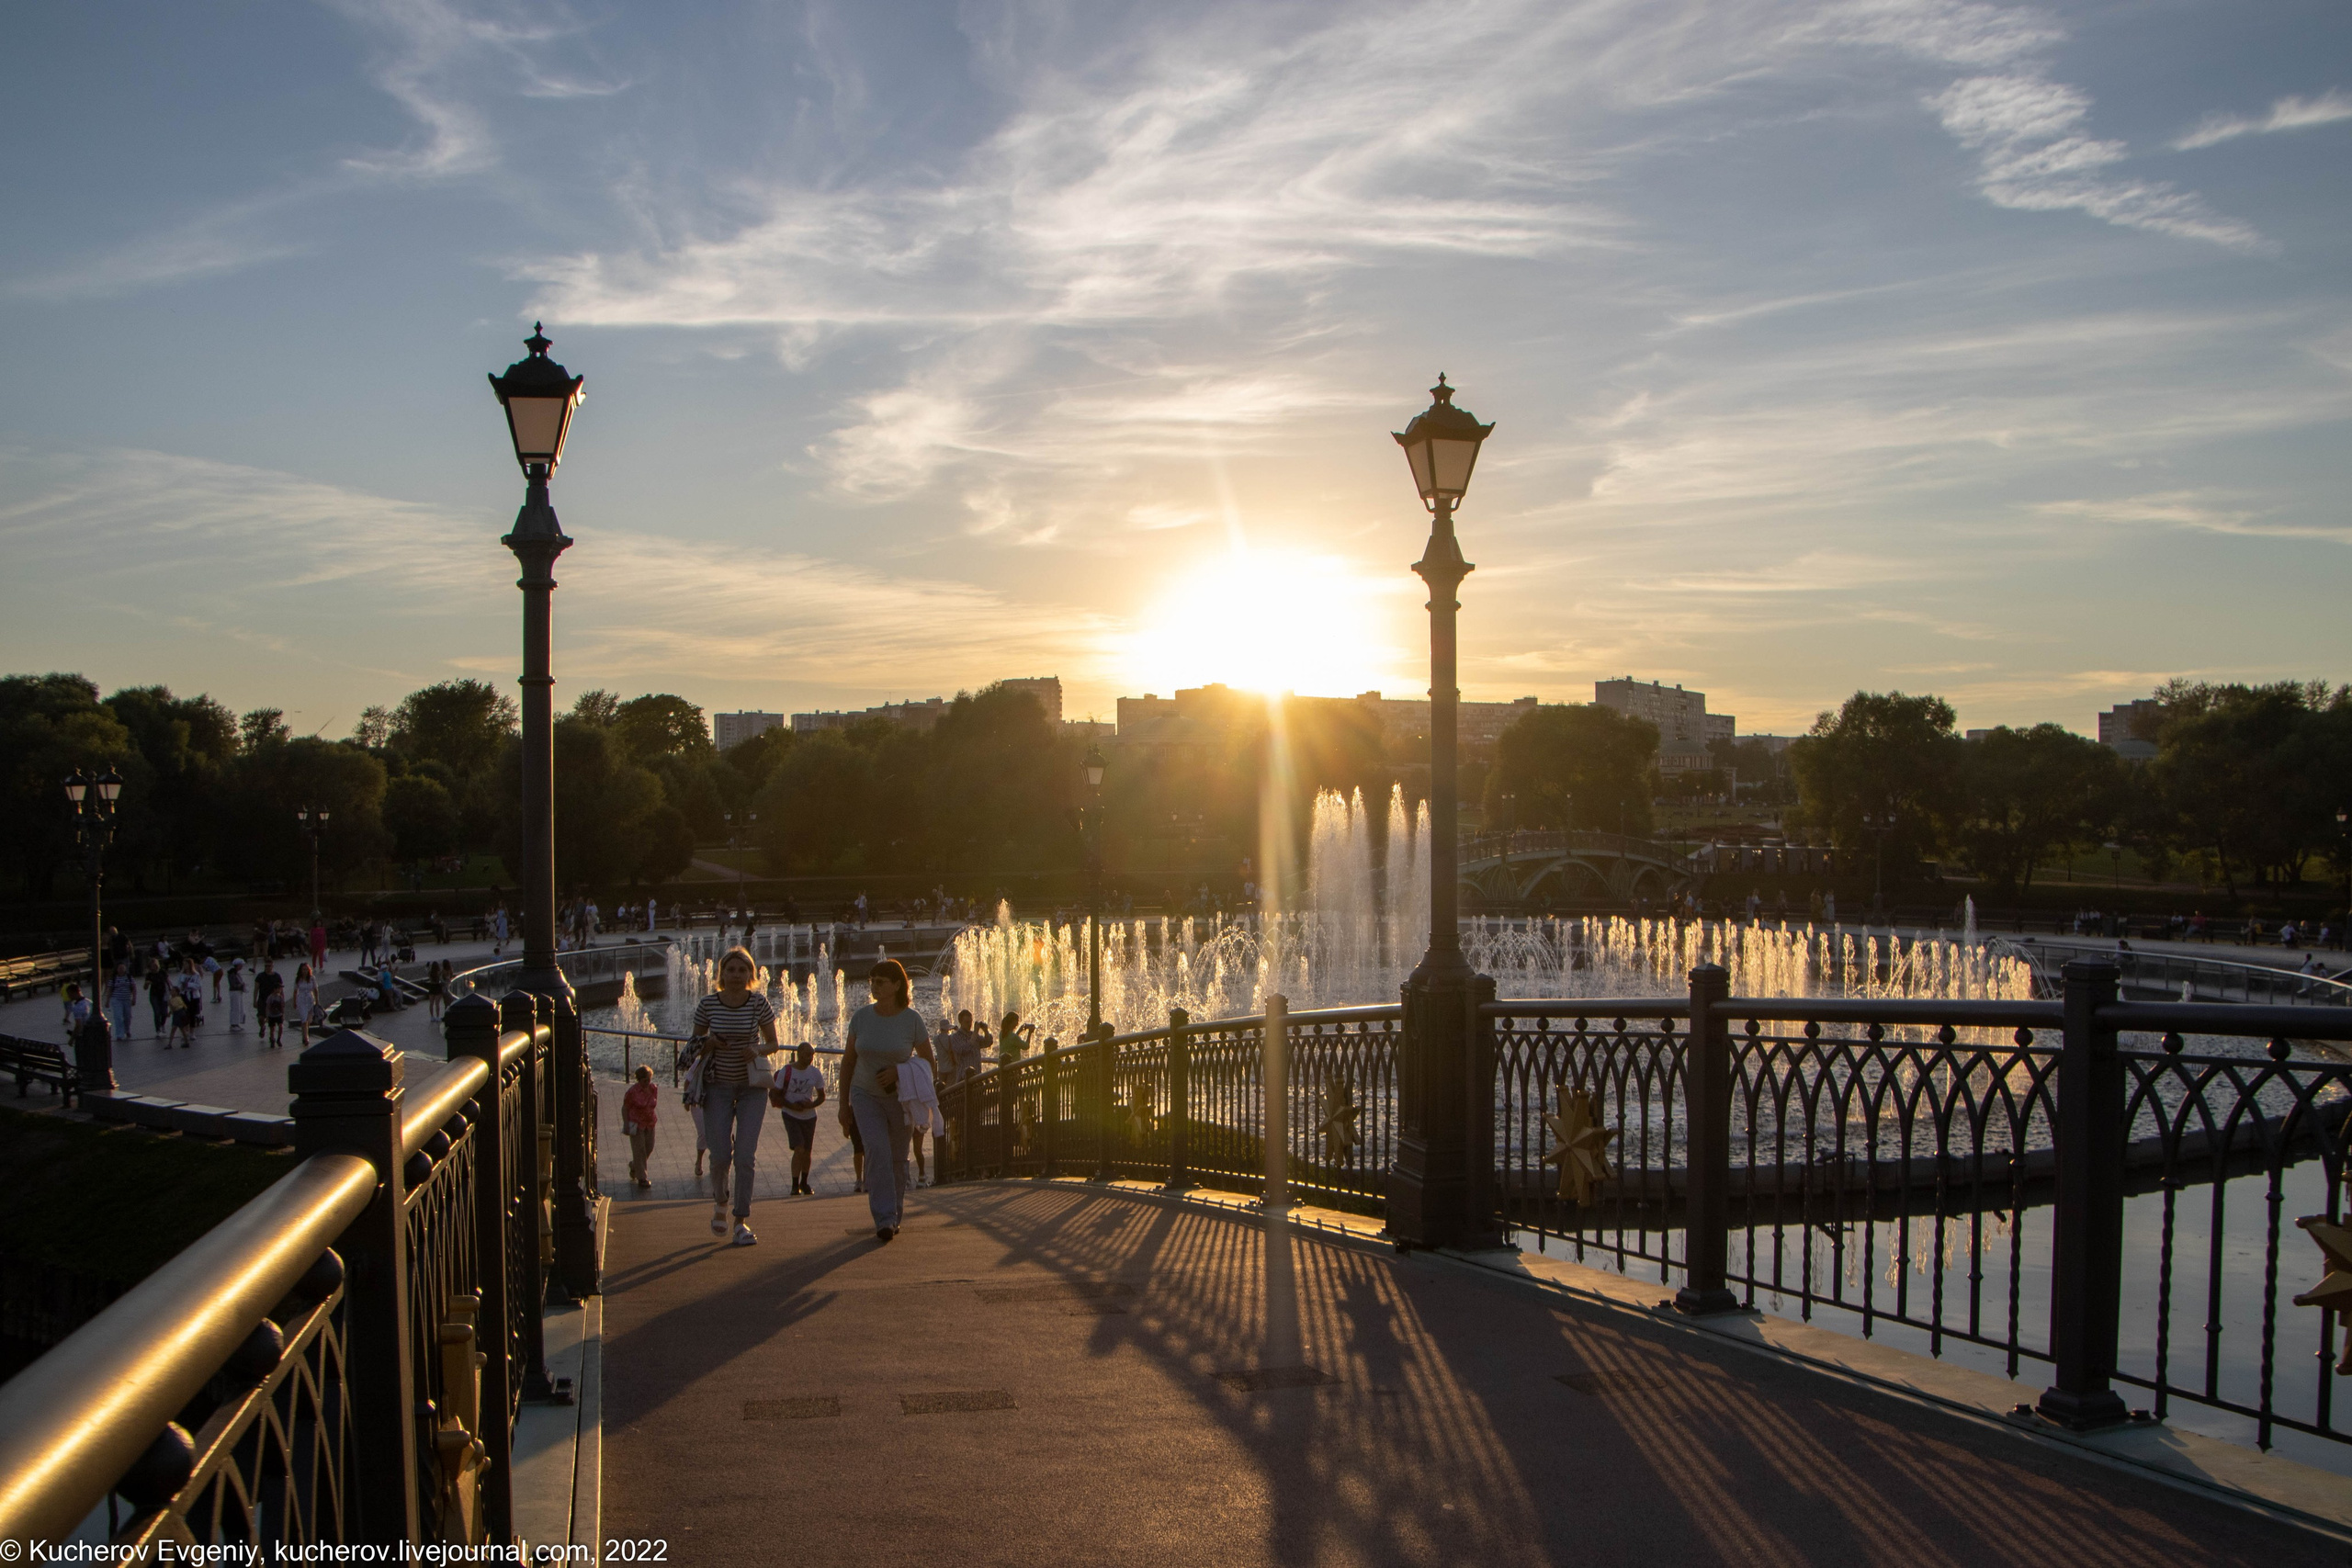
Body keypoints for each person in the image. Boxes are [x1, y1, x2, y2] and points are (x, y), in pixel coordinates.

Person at [689, 946, 779, 1247]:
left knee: (745, 1156)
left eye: (743, 971)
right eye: (731, 970)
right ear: (722, 974)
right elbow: (694, 1045)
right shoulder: (708, 1004)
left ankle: (741, 1220)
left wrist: (757, 1049)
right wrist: (710, 1042)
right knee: (719, 1156)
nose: (737, 976)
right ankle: (719, 1201)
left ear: (751, 975)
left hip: (752, 1087)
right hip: (718, 1086)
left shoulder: (758, 1003)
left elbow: (773, 1043)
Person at [840, 958, 929, 1243]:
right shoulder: (861, 1017)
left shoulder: (912, 1019)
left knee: (897, 1158)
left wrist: (900, 1071)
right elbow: (848, 1062)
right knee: (876, 1150)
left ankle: (894, 1214)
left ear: (897, 985)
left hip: (900, 1099)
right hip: (864, 1094)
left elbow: (929, 1062)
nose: (874, 986)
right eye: (872, 981)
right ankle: (884, 1218)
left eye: (881, 981)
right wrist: (843, 1105)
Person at [771, 1042, 828, 1195]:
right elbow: (775, 1093)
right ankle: (795, 1184)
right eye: (807, 1055)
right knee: (799, 1148)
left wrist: (810, 1105)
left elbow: (822, 1096)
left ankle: (805, 1182)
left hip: (809, 1116)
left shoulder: (815, 1073)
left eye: (812, 1055)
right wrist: (791, 1106)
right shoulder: (786, 1071)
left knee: (807, 1151)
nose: (810, 1058)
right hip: (790, 1115)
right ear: (799, 1054)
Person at [899, 1044, 940, 1186]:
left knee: (908, 1148)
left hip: (910, 1112)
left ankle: (912, 1176)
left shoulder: (903, 1067)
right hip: (918, 1111)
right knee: (916, 1149)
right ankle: (920, 1175)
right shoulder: (919, 1067)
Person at [622, 1065, 660, 1190]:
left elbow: (653, 1103)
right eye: (645, 1081)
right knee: (639, 1150)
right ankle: (642, 1178)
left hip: (650, 1123)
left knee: (649, 1148)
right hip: (637, 1123)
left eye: (649, 1079)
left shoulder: (653, 1088)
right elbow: (625, 1107)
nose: (647, 1083)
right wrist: (626, 1123)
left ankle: (634, 1165)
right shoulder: (633, 1092)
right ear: (639, 1080)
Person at [255, 959, 286, 1048]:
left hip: (275, 1001)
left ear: (272, 966)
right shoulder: (260, 976)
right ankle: (262, 1027)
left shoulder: (277, 976)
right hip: (263, 999)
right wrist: (255, 1000)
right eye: (266, 966)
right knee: (261, 1017)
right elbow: (256, 988)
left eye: (269, 966)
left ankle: (273, 1037)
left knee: (275, 1021)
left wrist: (282, 1000)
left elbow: (281, 989)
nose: (267, 968)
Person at [107, 964, 137, 1041]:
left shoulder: (129, 977)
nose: (121, 970)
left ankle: (127, 1030)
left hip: (127, 999)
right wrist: (107, 1000)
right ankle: (119, 1034)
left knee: (127, 1017)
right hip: (116, 999)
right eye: (119, 968)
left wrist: (134, 998)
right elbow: (109, 990)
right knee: (118, 1017)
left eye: (123, 968)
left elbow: (134, 988)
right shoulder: (113, 979)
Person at [292, 963, 319, 1048]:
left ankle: (305, 1032)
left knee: (308, 1019)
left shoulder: (312, 978)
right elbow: (295, 991)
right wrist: (294, 1002)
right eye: (303, 969)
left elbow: (315, 989)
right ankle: (305, 1037)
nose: (305, 971)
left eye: (306, 969)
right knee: (304, 1019)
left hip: (310, 999)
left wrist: (317, 1000)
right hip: (301, 999)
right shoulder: (298, 980)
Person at [226, 957, 248, 1032]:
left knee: (239, 1007)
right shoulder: (232, 974)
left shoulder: (237, 973)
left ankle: (237, 1023)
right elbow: (233, 984)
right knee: (235, 1008)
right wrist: (241, 985)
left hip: (238, 992)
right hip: (234, 992)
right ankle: (233, 1024)